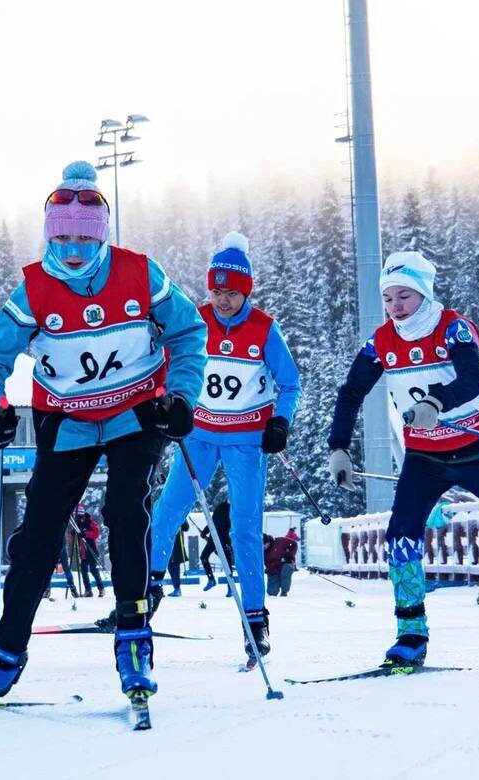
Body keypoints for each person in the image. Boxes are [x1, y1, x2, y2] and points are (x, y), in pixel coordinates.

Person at [0, 161, 207, 704]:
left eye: (84, 240)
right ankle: (4, 656)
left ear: (101, 236)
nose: (72, 251)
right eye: (62, 239)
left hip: (136, 410)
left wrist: (183, 396)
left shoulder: (140, 273)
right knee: (39, 533)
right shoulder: (34, 290)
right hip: (66, 420)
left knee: (126, 513)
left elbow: (187, 333)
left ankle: (133, 640)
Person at [328, 250, 479, 666]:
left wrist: (436, 401)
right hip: (425, 456)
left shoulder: (453, 328)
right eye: (388, 298)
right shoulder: (381, 342)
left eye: (404, 296)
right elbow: (351, 392)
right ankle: (411, 633)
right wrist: (339, 447)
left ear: (424, 293)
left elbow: (472, 378)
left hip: (478, 447)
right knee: (400, 536)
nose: (395, 306)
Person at [148, 232, 300, 664]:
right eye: (216, 292)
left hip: (245, 441)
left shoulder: (264, 329)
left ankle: (255, 620)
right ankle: (148, 590)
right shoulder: (196, 321)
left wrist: (280, 421)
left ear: (246, 291)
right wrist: (168, 403)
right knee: (167, 512)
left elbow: (290, 383)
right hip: (198, 435)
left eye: (232, 293)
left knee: (245, 529)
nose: (223, 300)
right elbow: (167, 368)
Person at [199, 499, 235, 594]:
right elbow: (213, 522)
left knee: (227, 563)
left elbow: (214, 523)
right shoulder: (222, 508)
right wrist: (205, 532)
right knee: (204, 557)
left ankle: (230, 587)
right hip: (216, 538)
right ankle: (213, 580)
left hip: (222, 539)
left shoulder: (231, 510)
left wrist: (205, 532)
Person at [72, 505, 105, 598]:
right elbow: (72, 539)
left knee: (94, 570)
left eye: (79, 516)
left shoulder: (90, 521)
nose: (79, 518)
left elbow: (96, 533)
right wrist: (73, 535)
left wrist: (85, 534)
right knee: (83, 571)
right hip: (83, 552)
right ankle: (88, 590)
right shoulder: (77, 524)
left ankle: (101, 588)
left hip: (91, 550)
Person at [265, 532, 298, 597]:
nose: (263, 547)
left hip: (285, 564)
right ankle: (277, 583)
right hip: (273, 569)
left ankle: (284, 591)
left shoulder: (280, 541)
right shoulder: (261, 551)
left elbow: (294, 544)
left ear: (268, 542)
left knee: (287, 569)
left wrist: (289, 556)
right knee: (271, 592)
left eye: (264, 545)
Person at [166, 522, 189, 597]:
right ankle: (176, 588)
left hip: (176, 544)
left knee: (175, 565)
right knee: (169, 566)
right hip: (168, 543)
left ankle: (177, 589)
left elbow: (186, 528)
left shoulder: (179, 516)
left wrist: (181, 521)